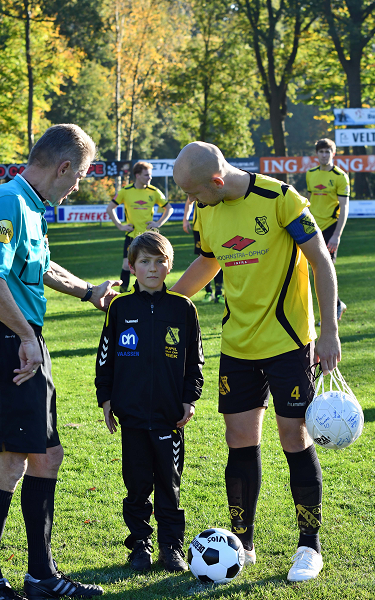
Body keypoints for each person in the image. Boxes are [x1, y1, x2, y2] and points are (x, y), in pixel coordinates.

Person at [172, 141, 341, 583]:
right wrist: (163, 301)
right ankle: (242, 542)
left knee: (293, 437)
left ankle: (309, 546)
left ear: (215, 180)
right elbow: (208, 262)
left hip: (287, 342)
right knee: (239, 440)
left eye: (192, 193)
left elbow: (321, 260)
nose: (191, 203)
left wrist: (329, 331)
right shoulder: (208, 213)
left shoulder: (280, 197)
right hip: (237, 344)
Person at [0, 124, 121, 600]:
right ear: (64, 166)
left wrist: (89, 291)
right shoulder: (9, 200)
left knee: (41, 456)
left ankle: (40, 575)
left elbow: (41, 266)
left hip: (27, 341)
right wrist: (26, 336)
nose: (77, 187)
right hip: (13, 342)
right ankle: (40, 578)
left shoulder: (33, 206)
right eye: (79, 177)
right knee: (14, 460)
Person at [95, 231, 204, 573]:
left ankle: (171, 547)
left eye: (159, 262)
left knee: (169, 483)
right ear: (132, 266)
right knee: (137, 483)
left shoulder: (183, 308)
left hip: (169, 417)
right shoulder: (120, 308)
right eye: (145, 262)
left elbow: (195, 361)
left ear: (169, 266)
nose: (153, 269)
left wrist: (189, 398)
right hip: (131, 414)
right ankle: (140, 544)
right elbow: (105, 357)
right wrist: (106, 397)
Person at [106, 161, 174, 293]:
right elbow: (110, 208)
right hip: (132, 235)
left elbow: (169, 209)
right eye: (147, 175)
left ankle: (153, 292)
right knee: (127, 265)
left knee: (152, 265)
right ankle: (122, 294)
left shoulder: (154, 192)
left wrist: (158, 223)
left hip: (149, 237)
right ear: (137, 175)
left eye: (150, 175)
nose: (150, 178)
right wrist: (120, 226)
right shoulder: (125, 191)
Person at [306, 138, 350, 321]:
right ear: (316, 154)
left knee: (326, 268)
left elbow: (345, 208)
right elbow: (308, 200)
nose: (324, 155)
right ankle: (338, 304)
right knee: (315, 268)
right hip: (313, 227)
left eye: (327, 152)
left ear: (333, 153)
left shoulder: (340, 176)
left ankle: (333, 311)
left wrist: (337, 235)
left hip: (330, 228)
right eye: (321, 151)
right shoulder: (310, 174)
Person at [183, 197, 224, 303]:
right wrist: (185, 219)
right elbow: (189, 201)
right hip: (199, 228)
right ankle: (208, 292)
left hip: (217, 226)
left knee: (219, 258)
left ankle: (219, 293)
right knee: (204, 259)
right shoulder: (197, 185)